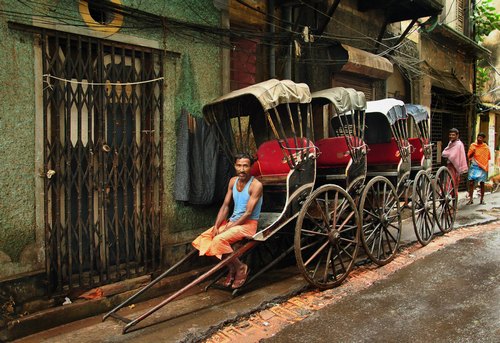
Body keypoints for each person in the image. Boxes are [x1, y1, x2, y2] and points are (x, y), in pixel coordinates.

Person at [192, 153, 263, 289]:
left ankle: (241, 267)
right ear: (235, 166)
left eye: (245, 166)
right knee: (205, 239)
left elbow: (248, 213)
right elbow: (225, 206)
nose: (242, 169)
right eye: (239, 165)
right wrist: (216, 226)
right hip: (233, 222)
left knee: (219, 240)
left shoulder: (256, 185)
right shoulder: (232, 181)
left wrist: (229, 228)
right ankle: (232, 268)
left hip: (248, 225)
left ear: (250, 167)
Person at [441, 128, 468, 194]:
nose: (451, 136)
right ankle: (447, 194)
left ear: (457, 135)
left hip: (455, 166)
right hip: (449, 165)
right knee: (448, 181)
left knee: (452, 182)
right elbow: (445, 152)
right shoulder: (450, 143)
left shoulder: (459, 144)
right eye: (450, 135)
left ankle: (452, 196)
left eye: (453, 135)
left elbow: (453, 156)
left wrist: (448, 156)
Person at [467, 132, 491, 205]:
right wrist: (473, 152)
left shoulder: (485, 147)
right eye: (478, 137)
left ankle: (482, 199)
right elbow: (469, 156)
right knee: (471, 182)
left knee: (482, 183)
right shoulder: (473, 145)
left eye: (481, 137)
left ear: (483, 139)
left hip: (482, 167)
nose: (479, 138)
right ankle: (470, 199)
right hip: (474, 165)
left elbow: (488, 157)